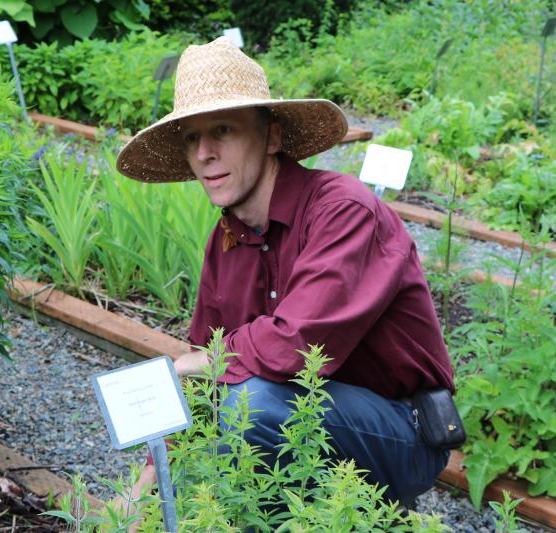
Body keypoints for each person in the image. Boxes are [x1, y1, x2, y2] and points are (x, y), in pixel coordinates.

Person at [114, 36, 455, 513]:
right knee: (197, 478)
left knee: (251, 405)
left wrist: (186, 364)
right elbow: (207, 373)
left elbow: (295, 344)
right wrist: (151, 480)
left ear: (272, 137)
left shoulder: (344, 210)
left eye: (224, 130)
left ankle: (368, 514)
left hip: (401, 432)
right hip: (297, 418)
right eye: (192, 137)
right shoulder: (227, 238)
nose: (205, 152)